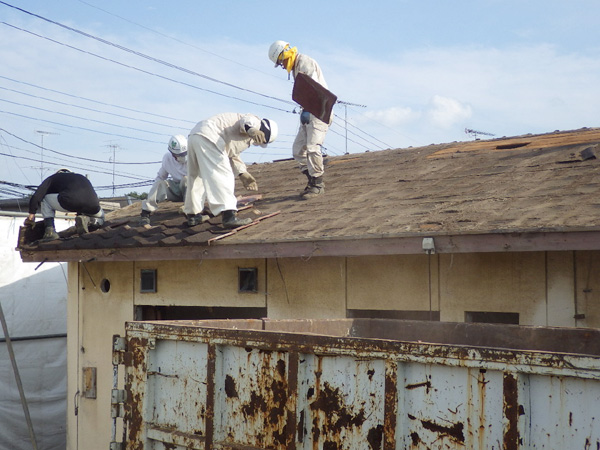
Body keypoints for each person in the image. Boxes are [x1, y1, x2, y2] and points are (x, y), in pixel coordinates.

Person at [183, 113, 278, 229]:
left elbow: (231, 153)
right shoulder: (255, 122)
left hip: (196, 135)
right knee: (224, 175)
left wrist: (243, 173)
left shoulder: (241, 137)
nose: (259, 142)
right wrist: (252, 130)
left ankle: (193, 215)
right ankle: (229, 216)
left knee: (197, 176)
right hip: (210, 136)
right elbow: (247, 121)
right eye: (262, 140)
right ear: (265, 132)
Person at [269, 40, 331, 199]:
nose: (282, 66)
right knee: (298, 150)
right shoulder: (296, 67)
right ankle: (312, 180)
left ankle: (318, 184)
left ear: (284, 55)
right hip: (309, 111)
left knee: (312, 147)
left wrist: (308, 109)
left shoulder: (304, 62)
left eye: (281, 62)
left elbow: (312, 89)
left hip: (319, 111)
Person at [25, 169, 105, 241]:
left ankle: (50, 231)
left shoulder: (53, 178)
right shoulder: (81, 177)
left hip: (70, 201)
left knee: (45, 198)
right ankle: (90, 221)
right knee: (101, 216)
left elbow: (37, 196)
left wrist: (32, 214)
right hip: (93, 204)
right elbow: (83, 197)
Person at [139, 135, 188, 226]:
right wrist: (154, 193)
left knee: (187, 180)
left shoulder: (194, 157)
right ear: (173, 154)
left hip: (192, 191)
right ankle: (146, 213)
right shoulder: (167, 158)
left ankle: (191, 210)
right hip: (177, 190)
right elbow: (160, 177)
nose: (183, 156)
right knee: (159, 184)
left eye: (185, 153)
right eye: (180, 155)